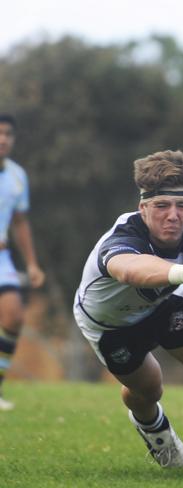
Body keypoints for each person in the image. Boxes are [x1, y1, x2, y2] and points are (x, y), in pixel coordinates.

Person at [73, 150, 183, 479]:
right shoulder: (123, 237)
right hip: (111, 325)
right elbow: (131, 270)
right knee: (149, 391)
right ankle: (155, 433)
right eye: (162, 206)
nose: (174, 216)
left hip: (168, 303)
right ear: (143, 208)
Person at [0, 114, 46, 411]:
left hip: (2, 256)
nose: (3, 139)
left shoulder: (17, 176)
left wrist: (31, 263)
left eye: (7, 134)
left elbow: (19, 222)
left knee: (14, 316)